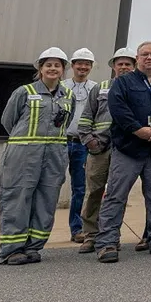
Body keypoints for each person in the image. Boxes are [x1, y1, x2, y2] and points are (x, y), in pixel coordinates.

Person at [94, 41, 151, 263]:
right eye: (145, 55)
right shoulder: (123, 83)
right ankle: (107, 243)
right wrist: (137, 130)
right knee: (115, 195)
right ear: (137, 59)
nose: (149, 58)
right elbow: (118, 109)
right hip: (128, 149)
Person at [0, 47, 75, 265]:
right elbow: (8, 121)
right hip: (23, 154)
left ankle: (33, 247)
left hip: (54, 156)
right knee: (18, 197)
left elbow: (65, 124)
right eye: (48, 64)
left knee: (46, 199)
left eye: (57, 65)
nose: (52, 68)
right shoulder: (24, 91)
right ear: (40, 68)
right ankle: (12, 249)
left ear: (63, 70)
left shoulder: (67, 96)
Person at [76, 48, 137, 254]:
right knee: (94, 191)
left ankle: (111, 235)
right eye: (120, 64)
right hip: (100, 148)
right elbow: (85, 118)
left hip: (126, 148)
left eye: (128, 64)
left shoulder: (138, 90)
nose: (124, 67)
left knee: (117, 194)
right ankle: (91, 235)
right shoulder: (100, 88)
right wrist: (89, 141)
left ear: (134, 67)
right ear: (113, 66)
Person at [65, 47, 98, 243]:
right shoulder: (62, 86)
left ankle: (77, 228)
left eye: (87, 64)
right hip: (61, 142)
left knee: (80, 188)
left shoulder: (95, 88)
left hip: (82, 144)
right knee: (49, 186)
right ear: (72, 65)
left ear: (91, 67)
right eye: (79, 63)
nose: (83, 67)